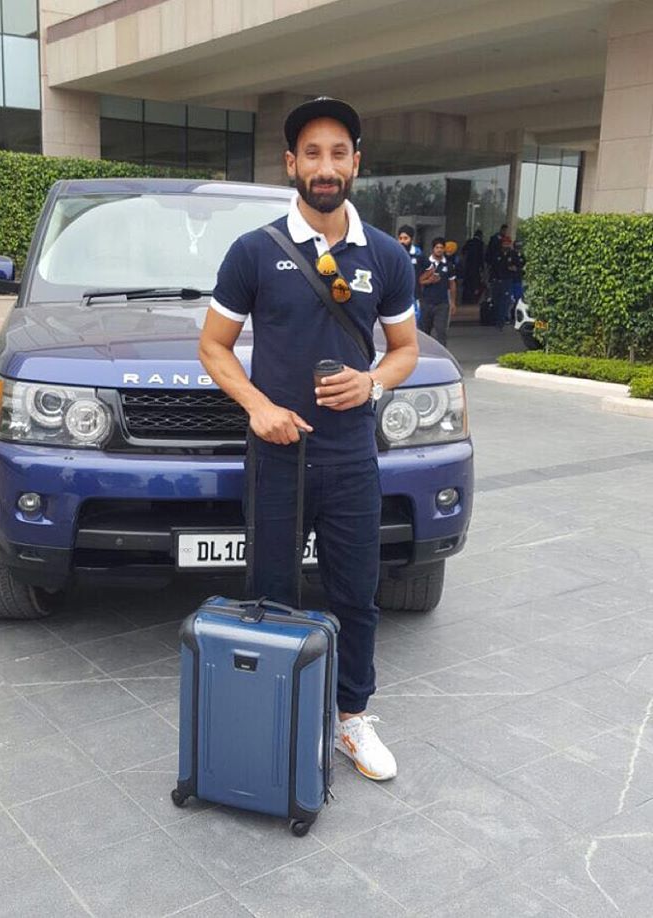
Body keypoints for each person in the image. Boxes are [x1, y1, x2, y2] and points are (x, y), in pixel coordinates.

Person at [199, 96, 418, 782]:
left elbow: (405, 350)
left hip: (351, 457)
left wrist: (372, 383)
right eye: (313, 154)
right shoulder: (253, 252)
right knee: (269, 592)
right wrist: (259, 407)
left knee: (356, 593)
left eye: (339, 153)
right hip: (278, 456)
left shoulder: (385, 256)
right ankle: (276, 714)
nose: (326, 167)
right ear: (291, 163)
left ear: (357, 164)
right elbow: (213, 346)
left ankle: (352, 718)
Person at [416, 237, 457, 347]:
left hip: (442, 303)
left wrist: (453, 302)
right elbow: (418, 281)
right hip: (426, 302)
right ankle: (424, 353)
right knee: (424, 332)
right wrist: (429, 281)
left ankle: (442, 354)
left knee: (441, 331)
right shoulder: (425, 263)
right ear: (433, 249)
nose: (439, 250)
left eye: (441, 248)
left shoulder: (448, 265)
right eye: (437, 247)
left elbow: (452, 284)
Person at [489, 236, 520, 329]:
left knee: (505, 301)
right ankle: (495, 319)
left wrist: (514, 268)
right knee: (496, 301)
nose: (506, 245)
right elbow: (492, 266)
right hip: (496, 280)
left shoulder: (513, 254)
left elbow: (518, 266)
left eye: (508, 243)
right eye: (504, 243)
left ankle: (501, 321)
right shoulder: (496, 254)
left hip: (507, 280)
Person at [397, 223, 421, 321]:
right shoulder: (394, 251)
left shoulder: (418, 254)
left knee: (414, 320)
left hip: (413, 295)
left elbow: (428, 270)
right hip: (397, 293)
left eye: (405, 238)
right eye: (400, 238)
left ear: (411, 239)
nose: (402, 241)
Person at [461, 229, 485, 303]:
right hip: (476, 266)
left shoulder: (469, 242)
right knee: (475, 283)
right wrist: (482, 267)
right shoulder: (480, 244)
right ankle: (473, 299)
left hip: (468, 266)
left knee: (467, 282)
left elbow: (463, 251)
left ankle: (465, 298)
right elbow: (481, 256)